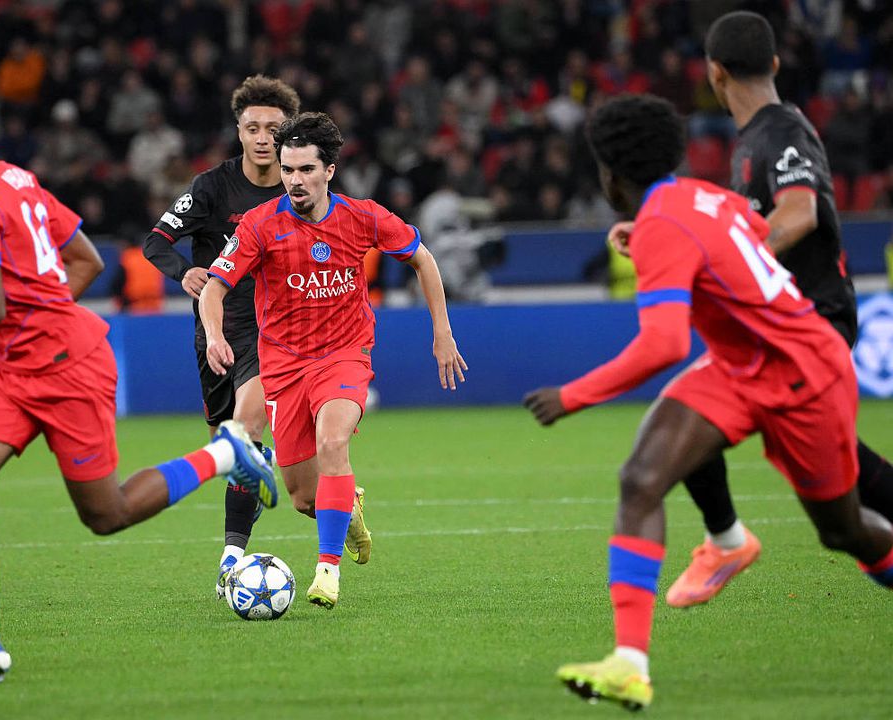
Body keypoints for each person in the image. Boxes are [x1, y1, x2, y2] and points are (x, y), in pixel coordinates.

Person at [0, 85, 276, 683]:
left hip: (65, 363)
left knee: (106, 513)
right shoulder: (19, 180)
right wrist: (40, 312)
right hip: (13, 364)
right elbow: (87, 260)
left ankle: (225, 454)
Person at [525, 94, 893, 711]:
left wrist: (572, 396)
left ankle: (734, 543)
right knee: (642, 478)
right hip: (738, 365)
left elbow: (665, 345)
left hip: (805, 375)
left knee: (844, 529)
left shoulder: (665, 221)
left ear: (612, 174)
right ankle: (629, 664)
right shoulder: (701, 196)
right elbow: (749, 234)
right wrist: (651, 237)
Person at [610, 11, 893, 608]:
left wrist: (728, 257)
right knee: (843, 499)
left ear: (714, 73)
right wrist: (665, 235)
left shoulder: (780, 132)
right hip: (782, 325)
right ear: (774, 63)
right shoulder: (757, 137)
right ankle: (727, 540)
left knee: (688, 417)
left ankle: (726, 540)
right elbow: (733, 222)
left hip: (809, 320)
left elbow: (799, 213)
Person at [199, 112, 467, 609]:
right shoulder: (260, 224)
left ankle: (328, 572)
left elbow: (423, 258)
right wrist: (214, 335)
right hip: (283, 366)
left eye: (306, 169)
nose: (295, 180)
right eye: (287, 170)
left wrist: (442, 331)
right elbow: (213, 288)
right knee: (304, 498)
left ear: (329, 171)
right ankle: (350, 508)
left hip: (345, 355)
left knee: (333, 440)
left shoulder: (363, 216)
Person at [144, 76, 332, 598]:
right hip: (216, 328)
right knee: (228, 451)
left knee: (245, 430)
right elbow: (155, 241)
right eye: (253, 128)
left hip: (273, 331)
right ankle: (286, 478)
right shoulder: (211, 187)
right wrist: (183, 271)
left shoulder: (301, 187)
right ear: (239, 131)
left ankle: (230, 559)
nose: (263, 138)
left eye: (274, 128)